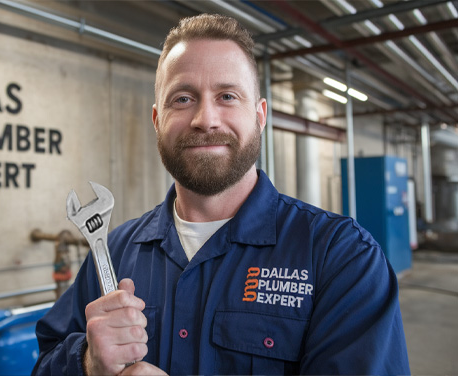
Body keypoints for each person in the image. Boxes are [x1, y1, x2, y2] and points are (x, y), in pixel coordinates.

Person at [32, 13, 410, 375]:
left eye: (227, 96)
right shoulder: (115, 250)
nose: (205, 119)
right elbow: (45, 360)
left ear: (260, 115)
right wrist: (87, 364)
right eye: (182, 98)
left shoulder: (342, 257)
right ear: (157, 120)